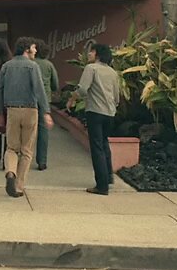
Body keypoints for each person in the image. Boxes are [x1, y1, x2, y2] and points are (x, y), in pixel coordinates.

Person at [0, 37, 52, 198]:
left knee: (11, 147)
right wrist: (46, 112)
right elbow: (39, 90)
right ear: (27, 49)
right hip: (30, 111)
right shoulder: (33, 67)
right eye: (33, 48)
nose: (36, 51)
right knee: (26, 150)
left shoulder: (6, 66)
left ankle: (10, 172)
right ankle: (19, 186)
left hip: (12, 110)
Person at [69, 43, 120, 195]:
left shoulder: (91, 68)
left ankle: (102, 186)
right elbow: (117, 97)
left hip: (95, 112)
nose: (89, 54)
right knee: (104, 143)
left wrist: (72, 99)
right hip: (110, 113)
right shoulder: (113, 73)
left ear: (97, 54)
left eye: (91, 51)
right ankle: (108, 177)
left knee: (97, 147)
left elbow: (83, 89)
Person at [33, 41, 61, 171]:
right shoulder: (49, 65)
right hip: (45, 99)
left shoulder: (31, 63)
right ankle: (42, 161)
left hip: (31, 99)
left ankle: (23, 157)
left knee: (27, 128)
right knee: (43, 130)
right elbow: (55, 83)